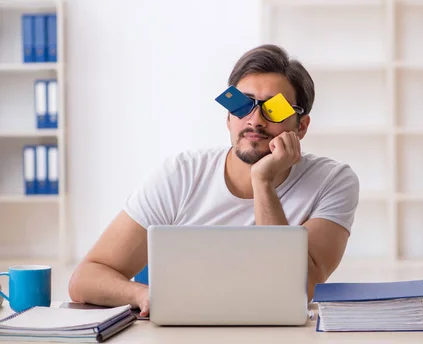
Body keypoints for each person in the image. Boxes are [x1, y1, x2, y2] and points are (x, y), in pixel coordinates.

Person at [68, 44, 360, 317]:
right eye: (243, 106)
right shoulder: (181, 175)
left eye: (275, 109)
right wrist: (142, 294)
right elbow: (85, 279)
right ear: (228, 118)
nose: (255, 120)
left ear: (302, 127)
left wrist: (263, 182)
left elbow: (295, 290)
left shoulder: (333, 181)